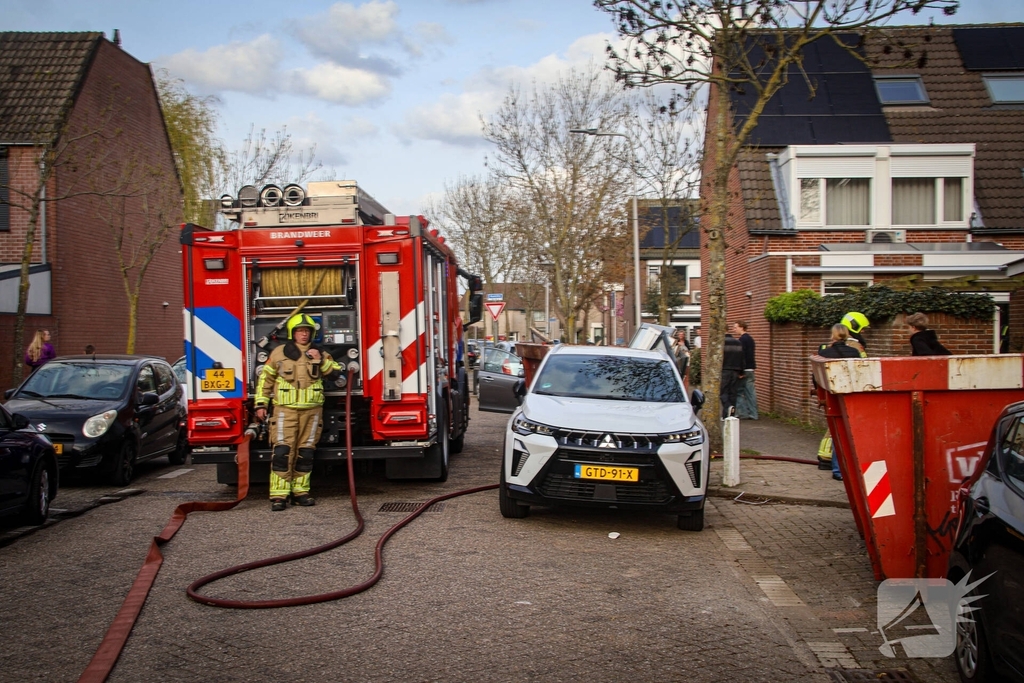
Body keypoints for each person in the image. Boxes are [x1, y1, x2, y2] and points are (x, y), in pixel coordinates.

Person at [254, 314, 342, 511]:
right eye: (300, 331)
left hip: (312, 412)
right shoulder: (278, 353)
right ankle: (279, 495)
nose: (304, 334)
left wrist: (321, 361)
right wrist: (261, 404)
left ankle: (301, 492)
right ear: (293, 333)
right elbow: (265, 380)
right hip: (285, 411)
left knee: (306, 453)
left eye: (307, 331)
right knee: (283, 452)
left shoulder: (320, 353)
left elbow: (336, 374)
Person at [816, 324, 862, 481]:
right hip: (852, 396)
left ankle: (838, 471)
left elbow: (817, 377)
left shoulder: (825, 353)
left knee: (837, 432)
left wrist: (820, 395)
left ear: (833, 336)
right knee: (853, 432)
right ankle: (854, 469)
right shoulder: (855, 352)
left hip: (833, 397)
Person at [732, 321, 758, 420]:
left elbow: (742, 356)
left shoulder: (742, 340)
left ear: (742, 327)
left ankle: (743, 413)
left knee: (738, 391)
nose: (734, 329)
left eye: (735, 327)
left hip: (744, 369)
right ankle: (754, 413)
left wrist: (741, 371)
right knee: (750, 392)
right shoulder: (750, 339)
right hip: (751, 368)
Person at [721, 332, 744, 419]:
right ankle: (730, 415)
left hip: (725, 370)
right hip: (736, 370)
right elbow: (742, 358)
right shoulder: (738, 342)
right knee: (733, 392)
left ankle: (727, 408)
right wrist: (741, 371)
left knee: (723, 392)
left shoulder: (721, 343)